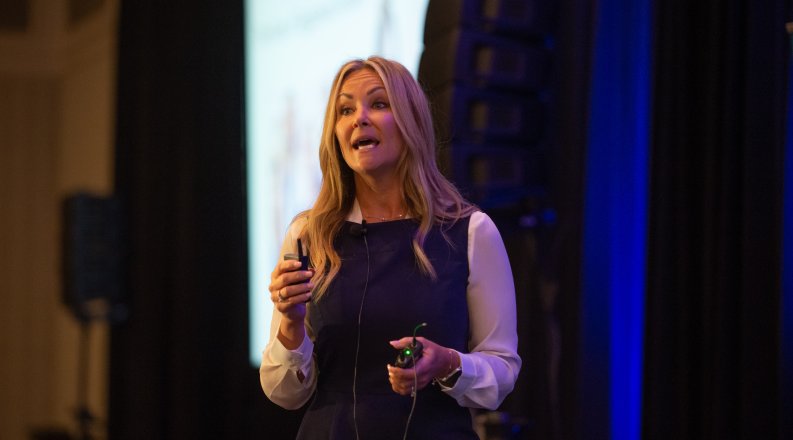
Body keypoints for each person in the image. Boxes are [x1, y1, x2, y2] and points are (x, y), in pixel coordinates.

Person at [260, 56, 520, 439]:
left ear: (411, 122)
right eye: (345, 109)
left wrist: (448, 363)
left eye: (378, 104)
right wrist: (291, 323)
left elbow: (502, 374)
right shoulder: (308, 234)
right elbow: (285, 394)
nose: (359, 118)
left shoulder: (470, 232)